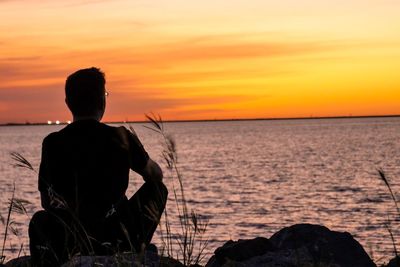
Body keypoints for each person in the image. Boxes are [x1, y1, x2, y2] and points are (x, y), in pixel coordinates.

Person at [29, 67, 168, 266]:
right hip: (116, 235)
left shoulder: (52, 142)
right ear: (102, 101)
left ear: (68, 103)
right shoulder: (120, 137)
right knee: (157, 190)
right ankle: (129, 250)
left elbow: (46, 202)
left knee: (39, 220)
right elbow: (156, 177)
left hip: (70, 239)